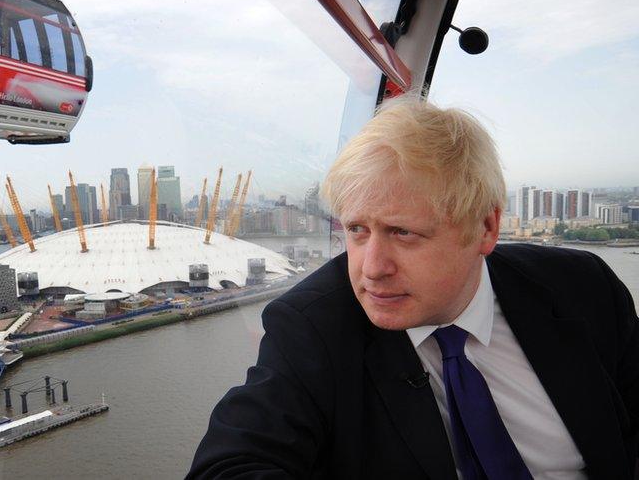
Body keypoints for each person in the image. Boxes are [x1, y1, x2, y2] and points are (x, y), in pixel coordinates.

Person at [187, 97, 638, 479]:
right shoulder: (313, 327)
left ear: (485, 227)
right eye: (357, 230)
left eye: (403, 233)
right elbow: (229, 466)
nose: (371, 268)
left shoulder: (583, 288)